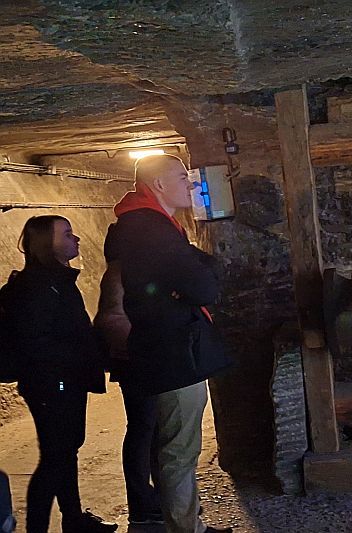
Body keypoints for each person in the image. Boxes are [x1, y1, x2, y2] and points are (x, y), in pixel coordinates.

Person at [103, 154, 232, 533]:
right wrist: (190, 286)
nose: (190, 185)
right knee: (179, 448)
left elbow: (202, 272)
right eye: (181, 177)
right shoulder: (151, 229)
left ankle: (188, 522)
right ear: (158, 184)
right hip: (173, 353)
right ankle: (185, 528)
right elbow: (205, 287)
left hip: (166, 348)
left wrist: (189, 283)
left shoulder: (146, 226)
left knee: (173, 442)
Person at [0, 215, 117, 533]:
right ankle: (37, 527)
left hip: (63, 380)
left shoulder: (55, 281)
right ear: (46, 244)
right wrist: (74, 362)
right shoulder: (36, 288)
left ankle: (73, 518)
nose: (75, 238)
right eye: (66, 234)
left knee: (65, 451)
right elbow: (37, 343)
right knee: (55, 457)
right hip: (53, 384)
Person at [95, 257, 162, 526]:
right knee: (143, 428)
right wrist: (137, 348)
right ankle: (142, 503)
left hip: (145, 359)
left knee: (153, 429)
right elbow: (110, 317)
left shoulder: (133, 267)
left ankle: (159, 497)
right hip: (136, 361)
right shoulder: (122, 270)